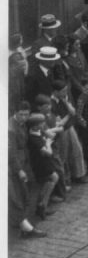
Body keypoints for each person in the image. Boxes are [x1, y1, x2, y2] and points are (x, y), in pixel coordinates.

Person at [9, 101, 47, 238]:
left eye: (26, 115)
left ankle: (23, 222)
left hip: (25, 161)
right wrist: (19, 170)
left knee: (27, 192)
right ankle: (25, 228)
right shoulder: (10, 129)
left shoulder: (22, 124)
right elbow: (10, 153)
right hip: (14, 166)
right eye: (21, 114)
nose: (24, 117)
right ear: (15, 113)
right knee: (16, 196)